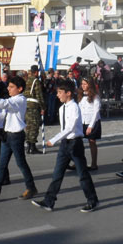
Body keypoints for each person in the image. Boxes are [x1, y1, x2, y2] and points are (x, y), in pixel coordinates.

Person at [32, 80, 99, 213]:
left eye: (60, 92)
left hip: (75, 144)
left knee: (82, 174)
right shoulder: (62, 108)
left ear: (68, 93)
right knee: (57, 174)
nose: (57, 95)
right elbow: (64, 128)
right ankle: (49, 201)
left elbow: (70, 127)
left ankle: (93, 200)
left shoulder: (74, 107)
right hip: (65, 144)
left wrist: (54, 139)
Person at [78, 77, 101, 170]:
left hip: (92, 122)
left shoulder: (95, 96)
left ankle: (94, 163)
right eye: (82, 84)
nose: (83, 86)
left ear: (90, 85)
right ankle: (78, 162)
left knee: (92, 142)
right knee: (78, 142)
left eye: (85, 84)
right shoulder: (81, 96)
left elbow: (96, 111)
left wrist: (91, 126)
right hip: (82, 121)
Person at [24, 65, 45, 154]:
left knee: (28, 126)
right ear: (36, 72)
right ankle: (32, 147)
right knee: (34, 126)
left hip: (26, 104)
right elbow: (39, 95)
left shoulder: (26, 80)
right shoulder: (36, 81)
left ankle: (28, 146)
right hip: (34, 105)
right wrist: (43, 107)